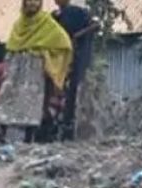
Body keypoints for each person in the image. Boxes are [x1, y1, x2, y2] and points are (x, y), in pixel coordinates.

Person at [0, 0, 73, 144]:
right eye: (29, 2)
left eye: (35, 3)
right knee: (6, 100)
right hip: (15, 71)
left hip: (33, 71)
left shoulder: (46, 23)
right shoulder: (18, 25)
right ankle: (6, 137)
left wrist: (45, 55)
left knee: (29, 105)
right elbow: (11, 47)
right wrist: (4, 66)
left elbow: (64, 43)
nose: (32, 5)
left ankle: (27, 141)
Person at [53, 0, 99, 141]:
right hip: (60, 59)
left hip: (77, 57)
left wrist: (78, 35)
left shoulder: (78, 12)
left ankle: (70, 129)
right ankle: (56, 129)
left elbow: (95, 25)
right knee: (58, 93)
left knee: (74, 92)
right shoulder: (54, 16)